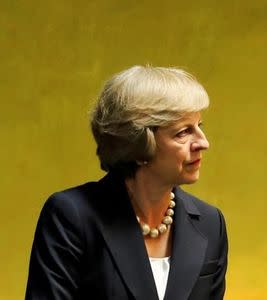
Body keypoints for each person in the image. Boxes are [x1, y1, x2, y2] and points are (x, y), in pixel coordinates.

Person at [25, 66, 228, 300]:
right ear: (138, 143)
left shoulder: (211, 223)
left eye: (199, 127)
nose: (203, 143)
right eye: (183, 132)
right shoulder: (71, 216)